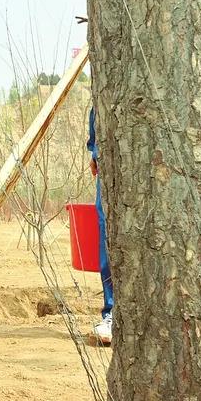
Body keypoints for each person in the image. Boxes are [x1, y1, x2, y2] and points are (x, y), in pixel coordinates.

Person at [87, 106, 114, 345]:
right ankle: (112, 313)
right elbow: (99, 106)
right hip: (109, 165)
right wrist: (95, 151)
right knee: (108, 236)